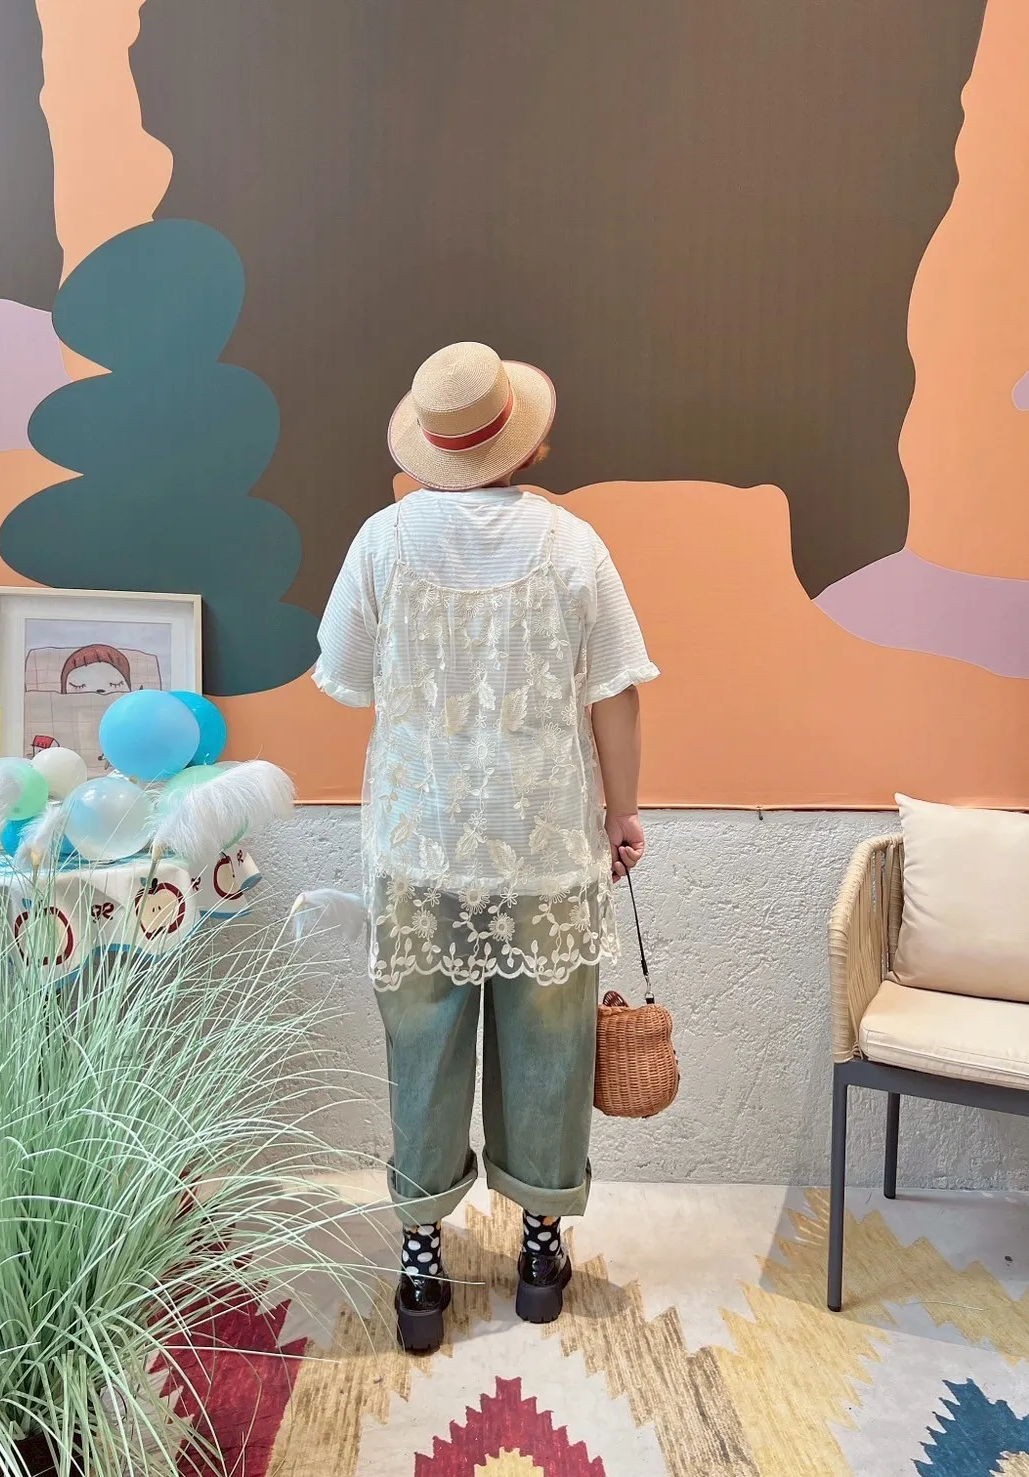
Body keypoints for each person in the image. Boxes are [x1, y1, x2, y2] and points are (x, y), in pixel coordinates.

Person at [314, 341, 658, 1353]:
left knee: (421, 1045)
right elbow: (616, 692)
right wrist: (622, 812)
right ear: (526, 441)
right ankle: (539, 1254)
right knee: (550, 1043)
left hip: (418, 842)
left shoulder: (381, 541)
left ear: (431, 444)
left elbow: (346, 678)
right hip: (544, 843)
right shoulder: (573, 545)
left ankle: (422, 1271)